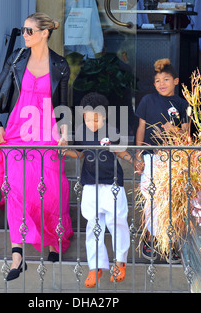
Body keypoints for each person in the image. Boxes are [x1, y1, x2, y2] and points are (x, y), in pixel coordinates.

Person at [0, 12, 73, 281]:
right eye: (23, 31)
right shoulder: (17, 58)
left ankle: (52, 238)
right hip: (15, 131)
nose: (24, 35)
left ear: (44, 33)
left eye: (29, 31)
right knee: (14, 188)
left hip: (45, 129)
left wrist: (64, 133)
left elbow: (63, 104)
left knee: (51, 188)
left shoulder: (60, 65)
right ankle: (17, 255)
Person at [64, 92, 133, 288]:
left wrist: (134, 161)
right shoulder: (80, 132)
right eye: (87, 118)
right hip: (90, 184)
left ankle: (120, 263)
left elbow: (120, 151)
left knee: (117, 221)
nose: (91, 122)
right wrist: (62, 150)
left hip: (112, 184)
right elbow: (79, 155)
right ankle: (95, 268)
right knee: (93, 226)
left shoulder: (112, 131)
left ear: (104, 116)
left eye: (96, 118)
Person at [135, 58, 190, 263]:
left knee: (170, 200)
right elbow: (141, 128)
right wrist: (138, 155)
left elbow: (187, 136)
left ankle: (171, 241)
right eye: (158, 81)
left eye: (166, 79)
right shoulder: (147, 101)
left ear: (176, 81)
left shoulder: (183, 104)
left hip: (173, 160)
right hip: (150, 156)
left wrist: (173, 130)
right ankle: (150, 238)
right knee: (150, 199)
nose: (161, 84)